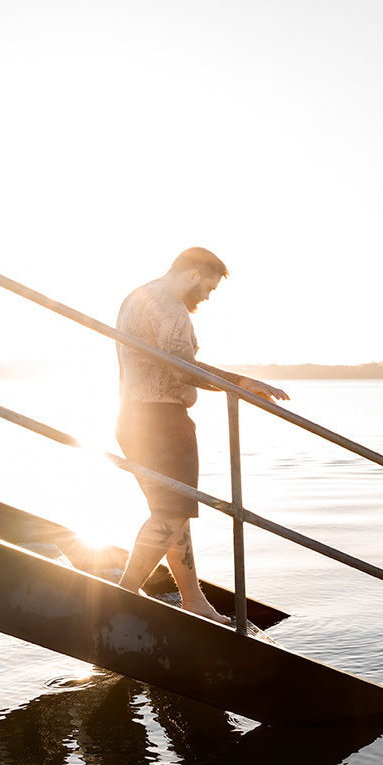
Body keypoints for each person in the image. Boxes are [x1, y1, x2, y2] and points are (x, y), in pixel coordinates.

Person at [114, 247, 288, 623]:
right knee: (171, 513)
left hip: (132, 417)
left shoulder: (138, 297)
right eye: (208, 287)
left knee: (173, 514)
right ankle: (122, 594)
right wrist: (241, 383)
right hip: (160, 421)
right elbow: (183, 368)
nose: (207, 296)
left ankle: (193, 600)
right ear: (193, 275)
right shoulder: (169, 304)